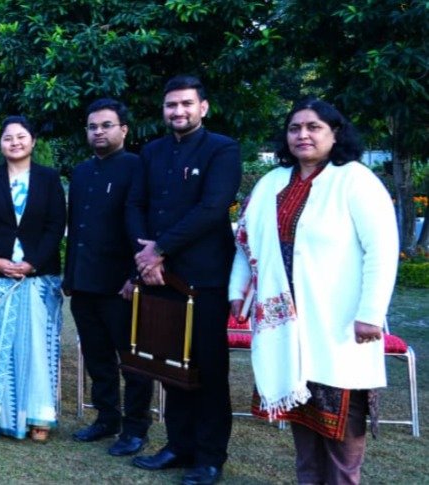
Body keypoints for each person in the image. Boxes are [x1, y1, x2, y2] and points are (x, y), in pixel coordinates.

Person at [229, 99, 398, 484]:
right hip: (286, 327)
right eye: (295, 128)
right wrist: (237, 291)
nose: (302, 135)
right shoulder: (272, 182)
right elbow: (245, 243)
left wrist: (371, 313)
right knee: (303, 426)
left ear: (335, 133)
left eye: (313, 127)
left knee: (342, 434)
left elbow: (382, 250)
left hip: (338, 324)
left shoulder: (355, 180)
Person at [126, 75, 241, 485]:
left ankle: (209, 457)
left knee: (207, 369)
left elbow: (212, 208)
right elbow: (136, 204)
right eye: (171, 105)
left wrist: (159, 249)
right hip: (159, 277)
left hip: (204, 277)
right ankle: (178, 445)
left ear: (203, 107)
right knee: (169, 363)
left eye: (186, 104)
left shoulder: (222, 149)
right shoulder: (152, 152)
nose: (178, 111)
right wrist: (146, 257)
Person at [64, 99, 154, 456]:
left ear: (124, 130)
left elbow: (143, 227)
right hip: (84, 282)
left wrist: (136, 277)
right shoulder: (82, 171)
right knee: (97, 357)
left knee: (132, 362)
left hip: (122, 285)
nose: (98, 132)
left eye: (106, 125)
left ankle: (135, 428)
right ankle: (106, 418)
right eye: (92, 127)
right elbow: (77, 227)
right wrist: (71, 276)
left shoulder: (136, 167)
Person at [0, 115, 66, 442]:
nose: (15, 143)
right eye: (8, 138)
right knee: (1, 346)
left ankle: (39, 418)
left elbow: (56, 225)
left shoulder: (49, 178)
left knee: (38, 346)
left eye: (21, 137)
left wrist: (32, 263)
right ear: (0, 144)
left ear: (33, 141)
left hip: (39, 277)